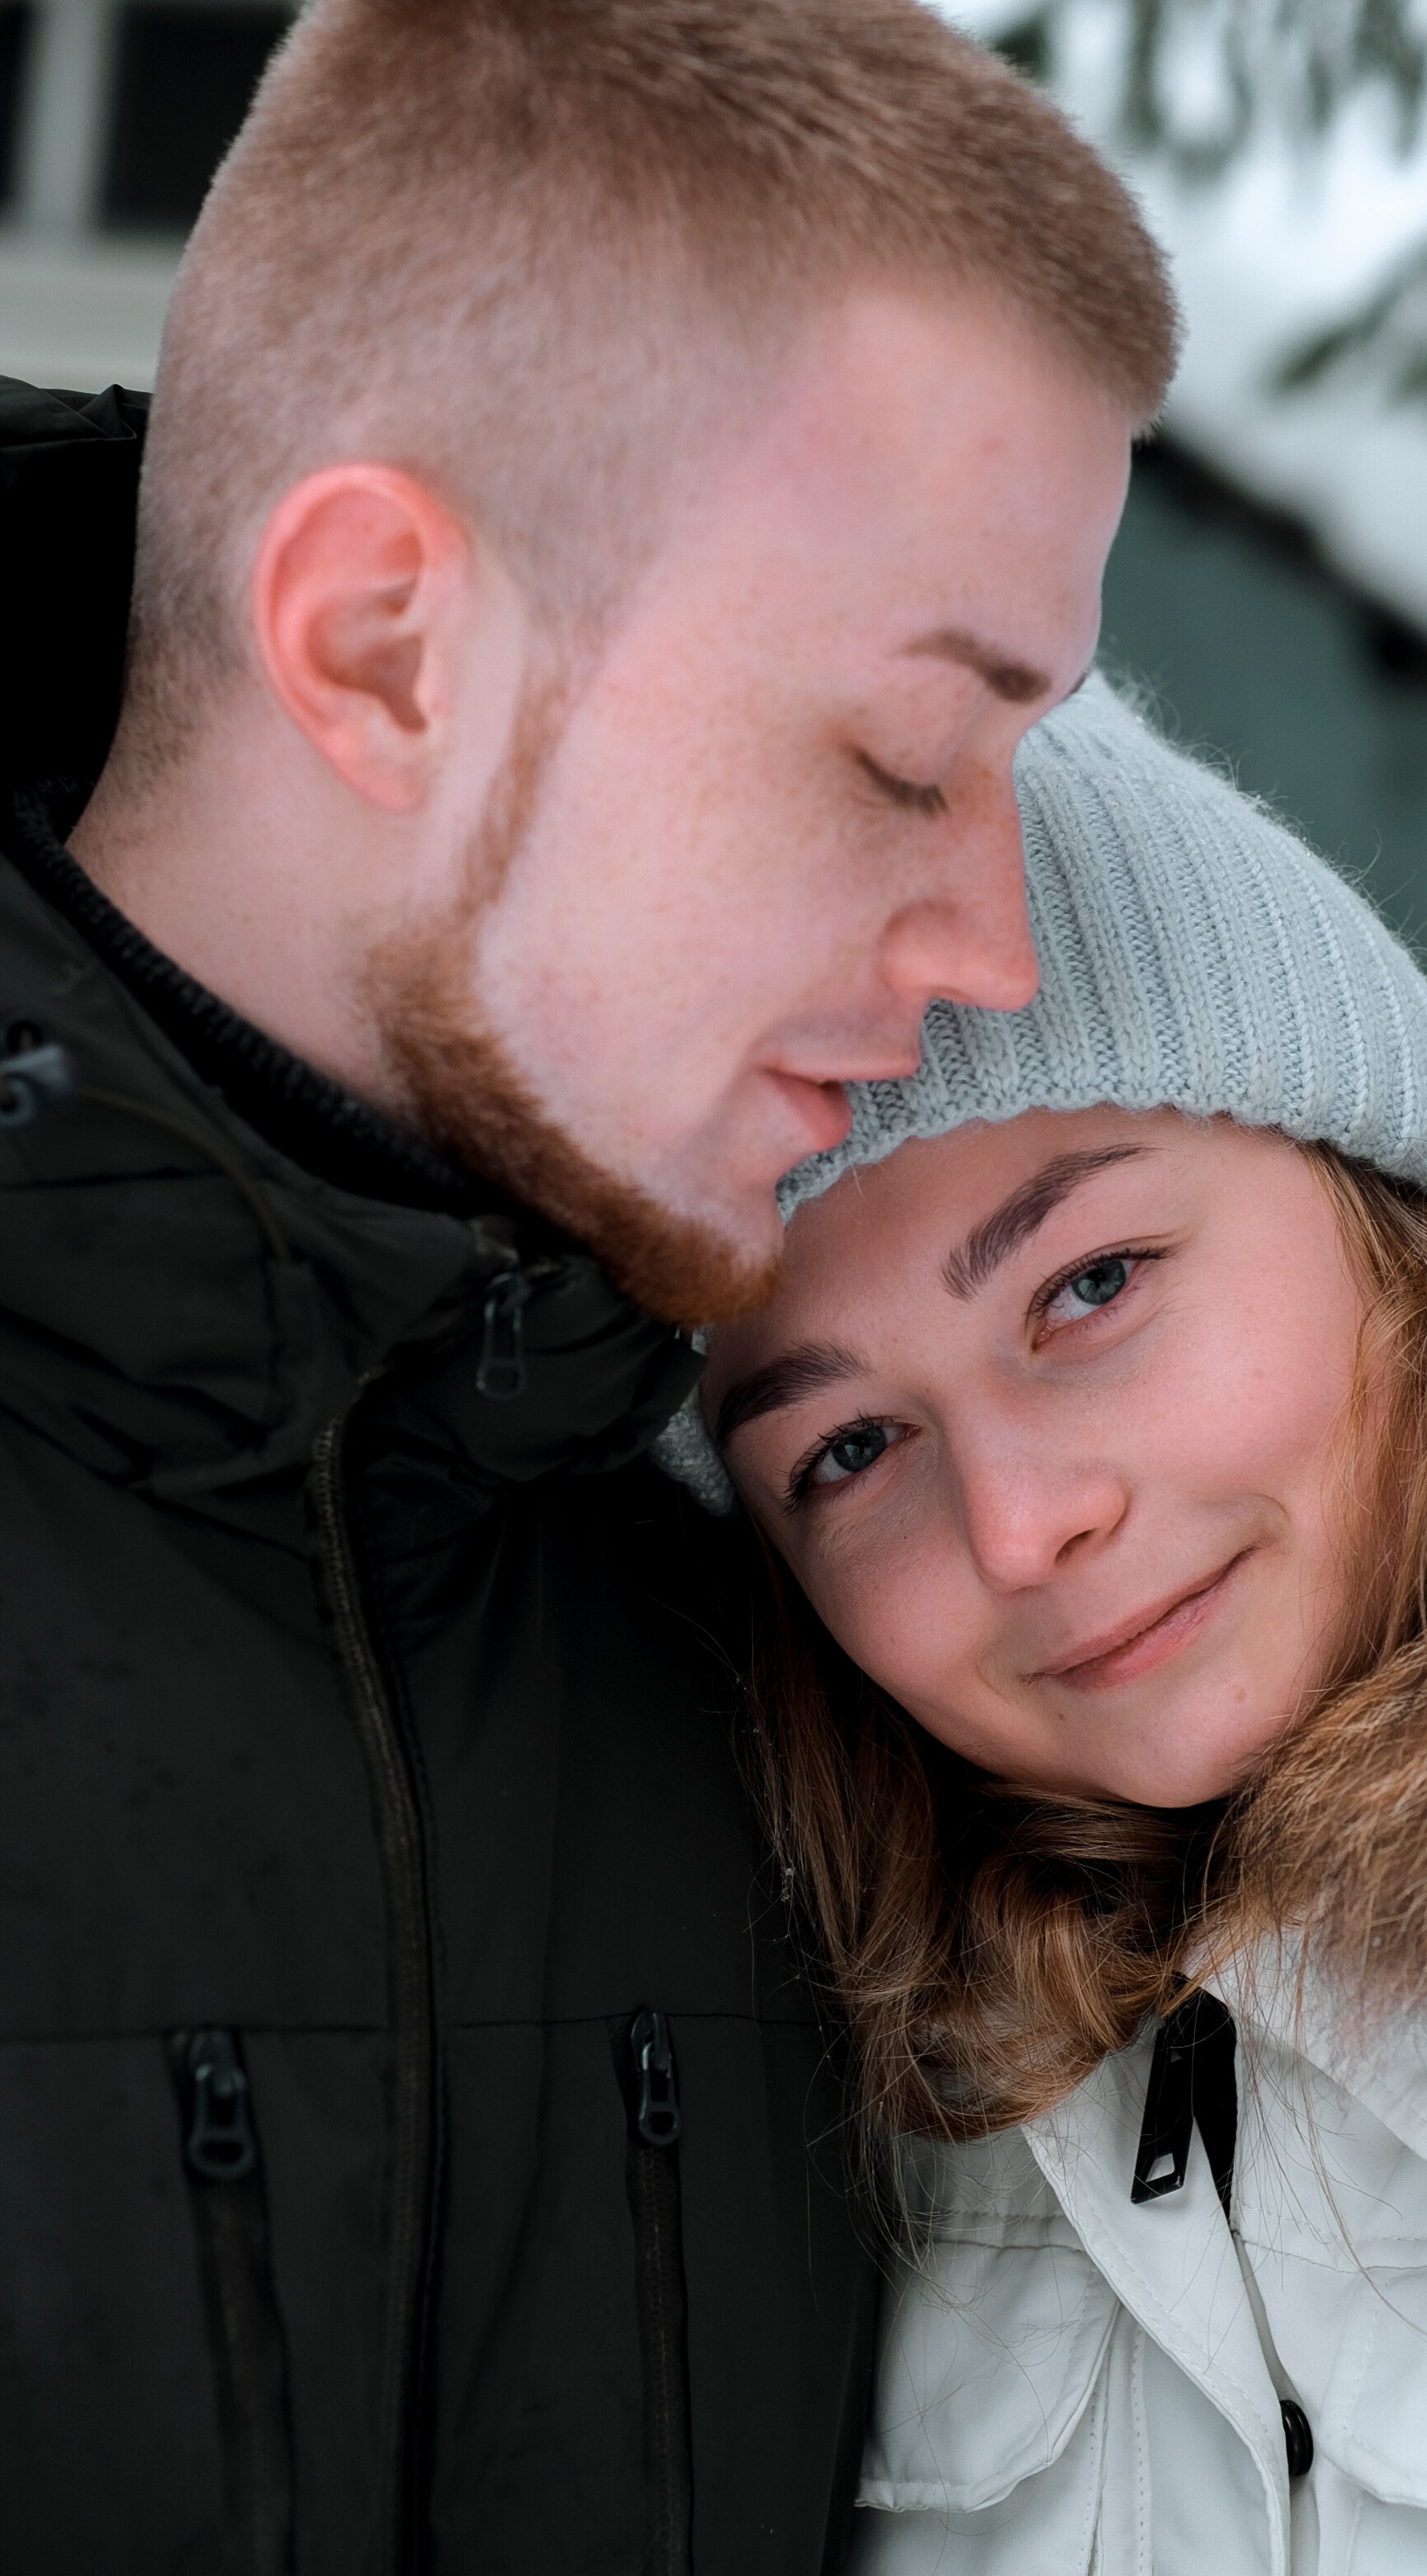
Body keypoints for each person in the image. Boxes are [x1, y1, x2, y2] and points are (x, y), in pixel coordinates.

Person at [0, 4, 1178, 2569]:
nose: (995, 938)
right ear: (388, 645)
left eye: (1029, 771)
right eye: (898, 758)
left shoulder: (811, 1656)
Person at [667, 677, 1427, 2571]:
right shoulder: (821, 2112)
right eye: (841, 1448)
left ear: (1373, 1195)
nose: (1016, 1521)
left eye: (1086, 1286)